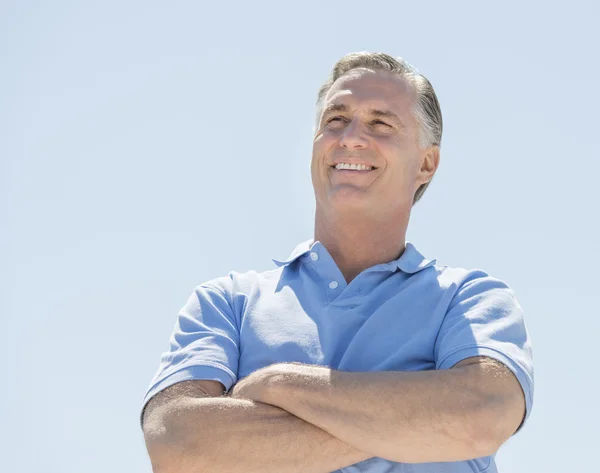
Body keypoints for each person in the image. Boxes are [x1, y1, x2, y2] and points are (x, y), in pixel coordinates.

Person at [139, 52, 534, 473]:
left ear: (425, 163)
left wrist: (279, 384)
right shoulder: (228, 302)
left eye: (380, 124)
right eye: (335, 120)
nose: (350, 137)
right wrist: (415, 427)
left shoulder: (469, 300)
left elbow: (482, 415)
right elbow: (177, 442)